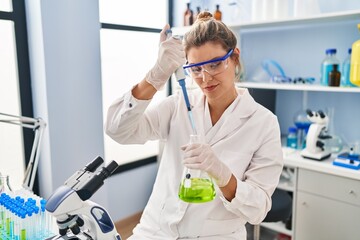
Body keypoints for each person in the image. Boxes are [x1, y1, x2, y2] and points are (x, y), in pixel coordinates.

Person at [105, 11, 283, 240]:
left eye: (215, 64)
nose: (206, 78)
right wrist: (155, 76)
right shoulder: (177, 105)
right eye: (196, 69)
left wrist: (223, 175)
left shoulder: (263, 123)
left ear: (234, 57)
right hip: (155, 231)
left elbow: (258, 209)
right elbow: (117, 130)